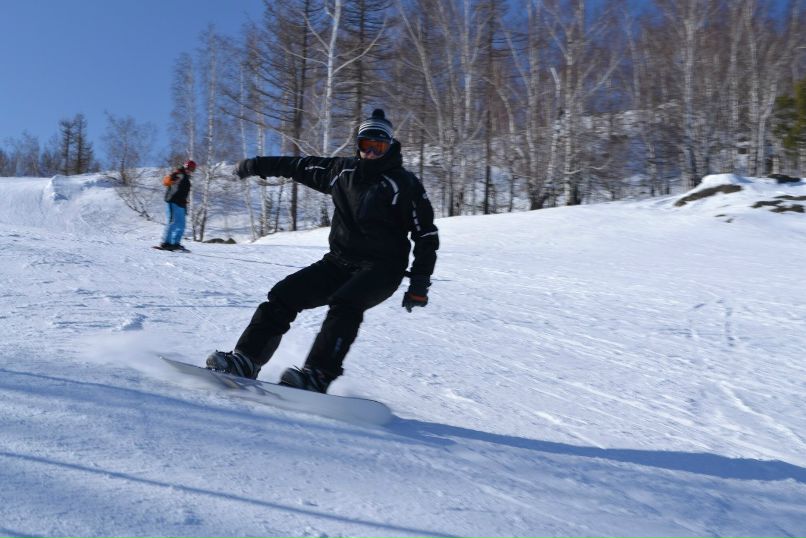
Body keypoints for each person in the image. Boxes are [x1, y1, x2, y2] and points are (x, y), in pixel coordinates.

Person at [206, 108, 439, 393]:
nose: (372, 153)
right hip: (338, 263)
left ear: (389, 147)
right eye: (367, 145)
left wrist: (419, 284)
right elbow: (297, 166)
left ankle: (318, 375)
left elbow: (426, 235)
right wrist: (257, 165)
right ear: (359, 146)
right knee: (283, 296)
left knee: (345, 304)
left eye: (379, 146)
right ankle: (246, 360)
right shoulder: (341, 172)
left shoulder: (404, 185)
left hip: (382, 269)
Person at [159, 159, 195, 251]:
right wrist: (171, 179)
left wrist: (185, 202)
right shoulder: (179, 174)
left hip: (181, 204)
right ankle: (165, 243)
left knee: (181, 225)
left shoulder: (187, 178)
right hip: (173, 201)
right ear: (185, 166)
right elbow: (166, 182)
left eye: (192, 169)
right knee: (172, 222)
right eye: (189, 168)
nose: (190, 171)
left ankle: (175, 243)